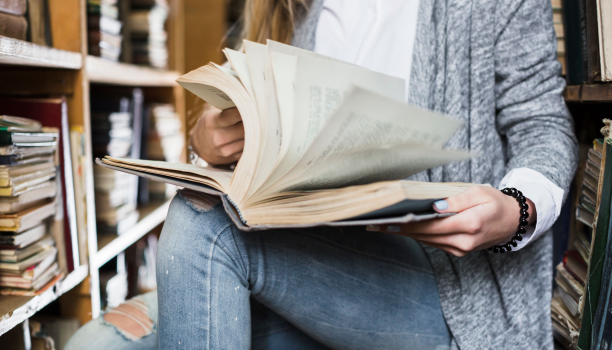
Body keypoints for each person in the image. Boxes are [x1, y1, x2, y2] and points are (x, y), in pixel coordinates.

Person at [66, 0, 577, 348]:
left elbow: (543, 124)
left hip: (452, 291)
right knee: (93, 342)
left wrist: (517, 208)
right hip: (308, 268)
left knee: (204, 222)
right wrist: (207, 143)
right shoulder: (291, 11)